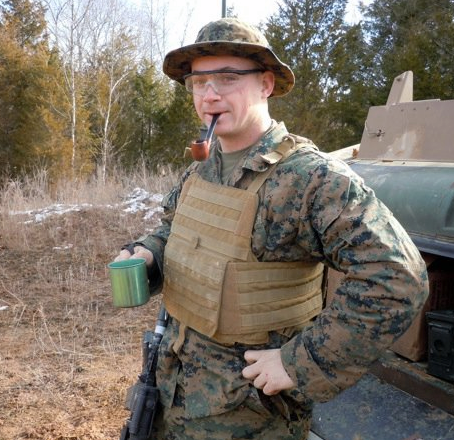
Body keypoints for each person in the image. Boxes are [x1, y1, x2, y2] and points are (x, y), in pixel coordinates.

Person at [115, 17, 429, 440]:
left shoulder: (311, 178)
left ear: (265, 84)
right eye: (198, 81)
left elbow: (396, 279)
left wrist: (299, 361)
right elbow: (174, 227)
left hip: (247, 415)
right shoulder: (204, 168)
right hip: (170, 390)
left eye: (227, 78)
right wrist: (147, 252)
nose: (209, 94)